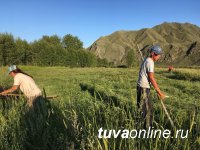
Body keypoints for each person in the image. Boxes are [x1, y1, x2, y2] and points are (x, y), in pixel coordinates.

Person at [137, 45, 166, 129]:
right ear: (153, 54)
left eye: (160, 55)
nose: (159, 57)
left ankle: (139, 127)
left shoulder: (147, 60)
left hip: (141, 86)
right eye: (158, 55)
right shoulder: (150, 62)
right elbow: (151, 78)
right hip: (144, 88)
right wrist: (159, 92)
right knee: (148, 111)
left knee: (141, 108)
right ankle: (147, 131)